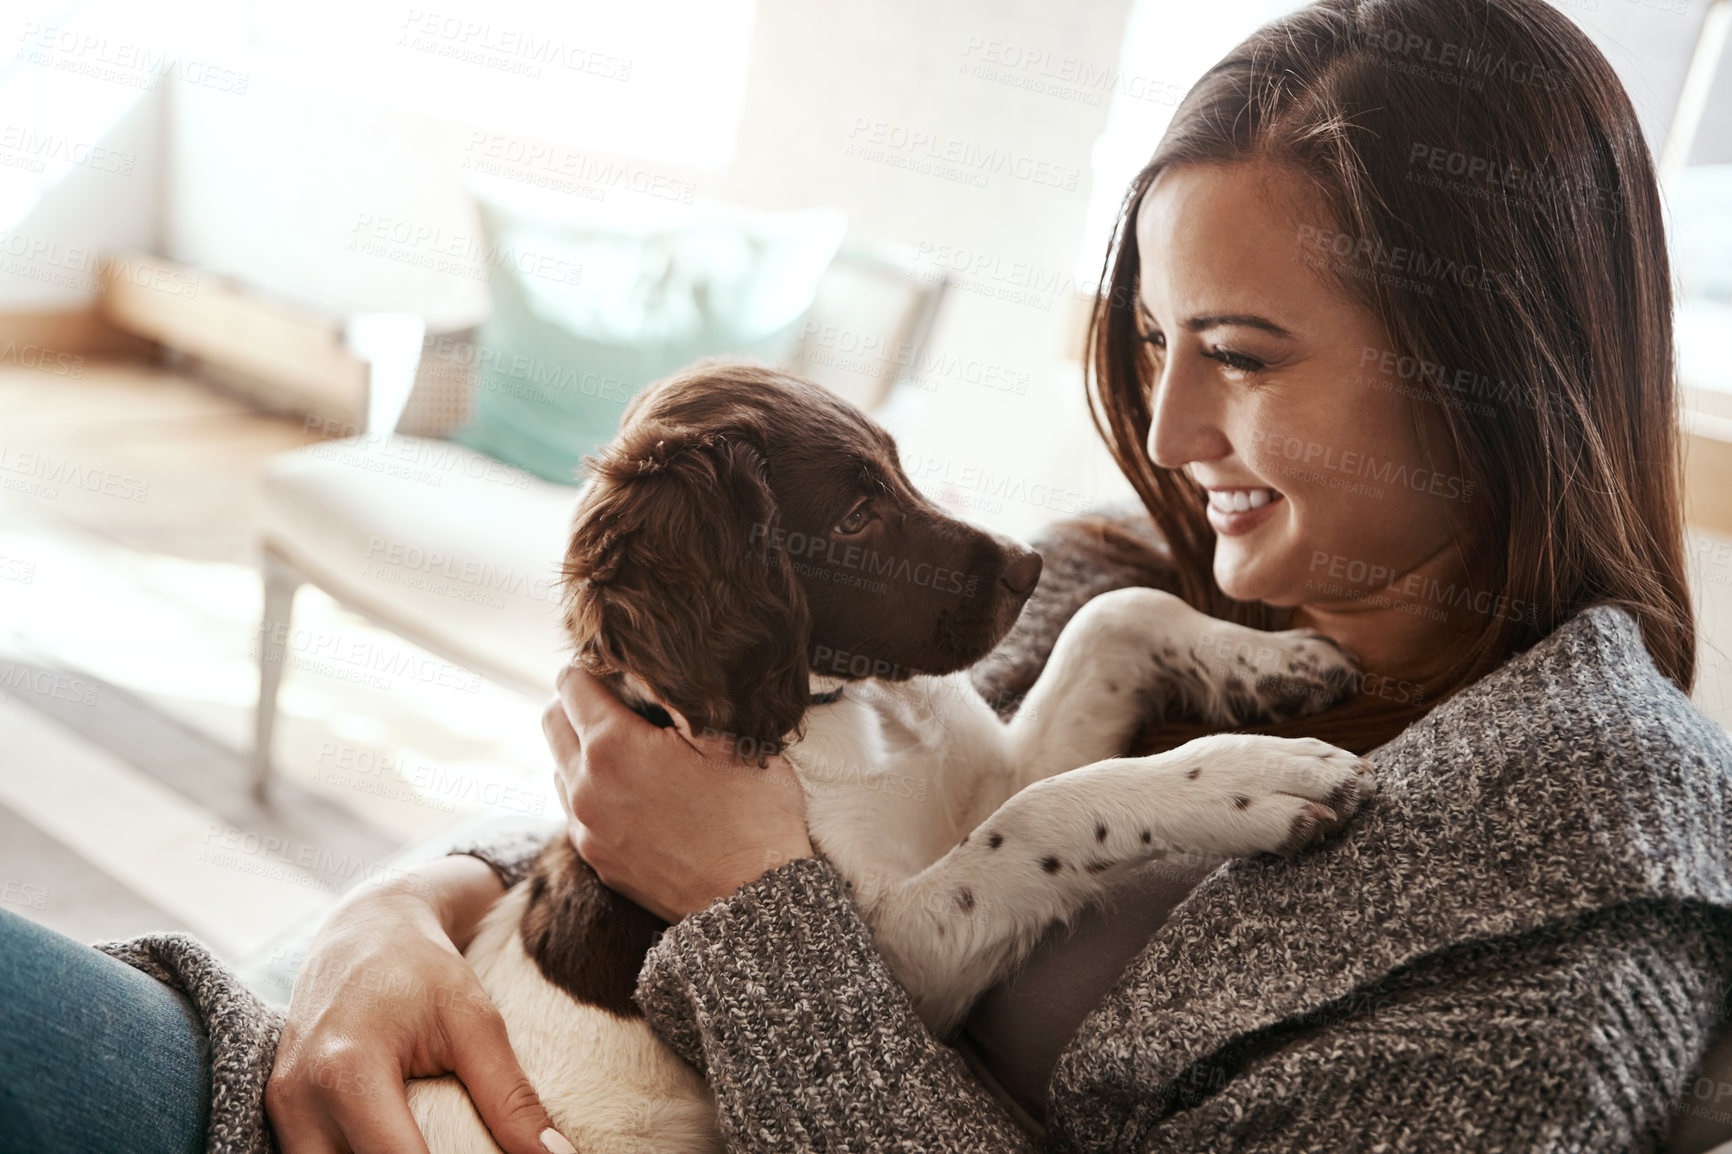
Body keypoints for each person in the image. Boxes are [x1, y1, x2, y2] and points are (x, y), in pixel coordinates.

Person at [4, 0, 1728, 1151]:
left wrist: (758, 924)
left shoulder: (1570, 895)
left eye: (1249, 355)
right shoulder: (1120, 592)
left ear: (1493, 363)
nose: (1171, 420)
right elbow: (707, 790)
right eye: (1149, 338)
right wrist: (400, 912)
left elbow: (750, 866)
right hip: (374, 1074)